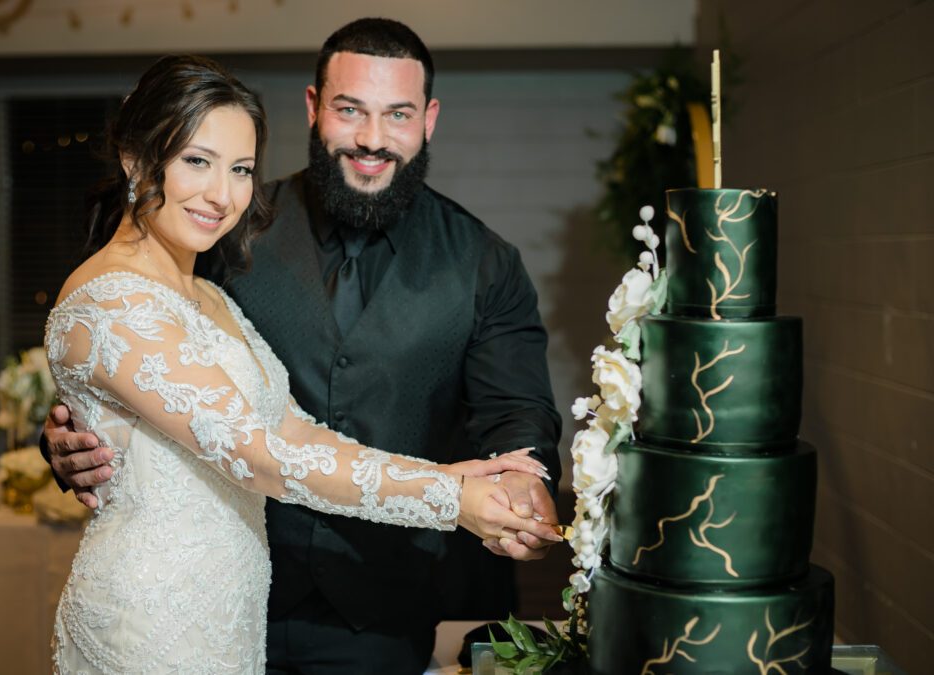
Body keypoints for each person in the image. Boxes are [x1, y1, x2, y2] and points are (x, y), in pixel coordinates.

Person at [44, 19, 564, 674]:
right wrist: (72, 432)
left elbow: (515, 411)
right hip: (213, 604)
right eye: (351, 110)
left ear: (427, 119)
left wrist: (513, 480)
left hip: (379, 608)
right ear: (316, 109)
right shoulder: (225, 230)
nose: (373, 139)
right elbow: (128, 360)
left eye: (397, 114)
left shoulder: (484, 261)